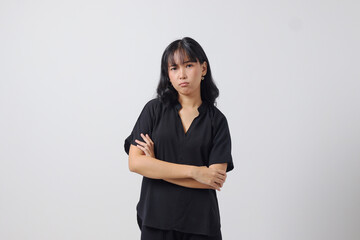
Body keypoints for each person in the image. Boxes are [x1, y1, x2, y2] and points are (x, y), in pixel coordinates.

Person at [124, 37, 234, 240]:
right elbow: (135, 162)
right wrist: (195, 172)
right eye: (173, 68)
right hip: (156, 220)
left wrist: (155, 166)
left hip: (201, 225)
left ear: (203, 69)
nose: (181, 74)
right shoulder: (153, 110)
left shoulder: (217, 121)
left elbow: (212, 180)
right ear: (168, 74)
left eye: (189, 65)